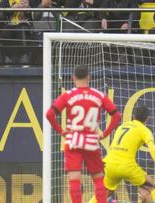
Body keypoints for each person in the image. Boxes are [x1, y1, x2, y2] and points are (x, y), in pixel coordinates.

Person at [46, 65, 121, 203]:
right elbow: (116, 116)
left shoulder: (68, 96)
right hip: (91, 141)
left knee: (74, 179)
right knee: (98, 179)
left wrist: (61, 131)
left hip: (73, 140)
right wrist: (105, 133)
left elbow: (50, 114)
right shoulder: (99, 95)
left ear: (73, 78)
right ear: (89, 77)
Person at [90, 106, 155, 203]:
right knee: (151, 187)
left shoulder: (122, 127)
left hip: (109, 165)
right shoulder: (144, 130)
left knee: (105, 192)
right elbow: (152, 148)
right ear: (148, 118)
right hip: (126, 166)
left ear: (133, 116)